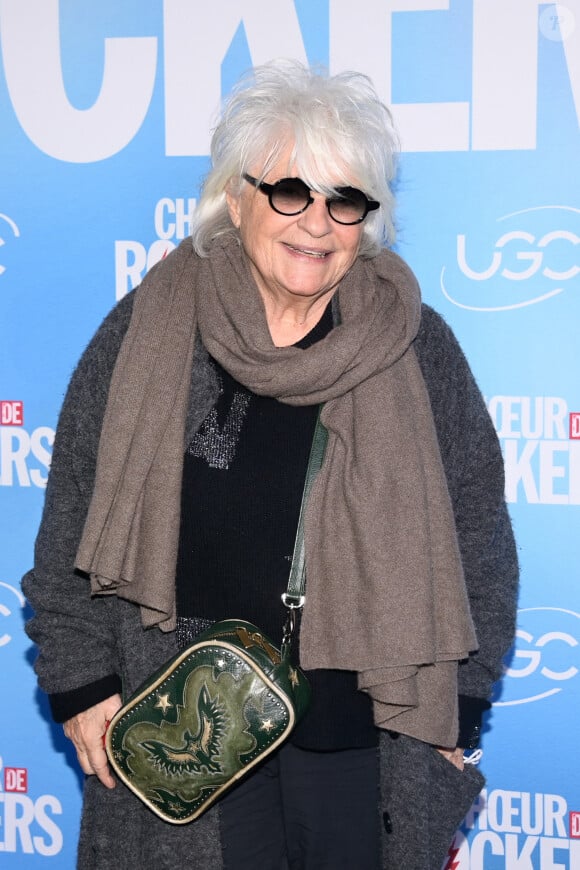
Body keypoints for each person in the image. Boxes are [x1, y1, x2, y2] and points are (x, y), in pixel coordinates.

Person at [23, 59, 518, 870]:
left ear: (368, 218)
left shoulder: (416, 346)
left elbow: (479, 539)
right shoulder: (149, 329)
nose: (317, 223)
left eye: (344, 199)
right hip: (186, 728)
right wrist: (81, 686)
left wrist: (458, 704)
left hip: (367, 735)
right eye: (291, 190)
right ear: (239, 195)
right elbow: (72, 520)